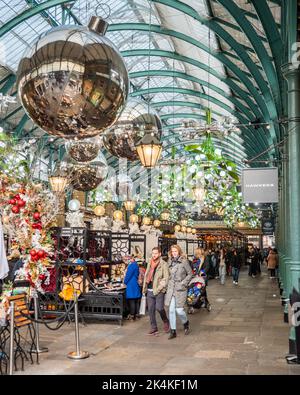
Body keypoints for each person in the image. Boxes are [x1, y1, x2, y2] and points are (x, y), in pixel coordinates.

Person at [165, 245, 193, 339]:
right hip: (171, 288)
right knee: (171, 310)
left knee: (179, 310)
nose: (174, 253)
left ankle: (185, 323)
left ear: (179, 251)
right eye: (172, 251)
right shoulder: (169, 261)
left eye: (175, 251)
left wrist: (183, 283)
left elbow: (190, 274)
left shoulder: (184, 261)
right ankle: (173, 331)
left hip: (180, 289)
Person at [142, 247, 170, 335]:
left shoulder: (163, 264)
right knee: (150, 310)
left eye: (156, 253)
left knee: (159, 308)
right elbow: (147, 275)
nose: (154, 255)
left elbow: (166, 278)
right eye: (153, 253)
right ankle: (154, 327)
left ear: (159, 254)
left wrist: (160, 288)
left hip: (159, 290)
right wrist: (144, 287)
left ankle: (165, 321)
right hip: (150, 289)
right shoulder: (149, 263)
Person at [124, 256, 141, 320]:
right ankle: (137, 315)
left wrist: (125, 282)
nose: (127, 261)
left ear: (131, 259)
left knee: (132, 300)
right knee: (136, 300)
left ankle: (132, 315)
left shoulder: (131, 266)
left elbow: (128, 275)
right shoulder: (136, 265)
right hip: (135, 283)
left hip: (131, 284)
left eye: (127, 259)